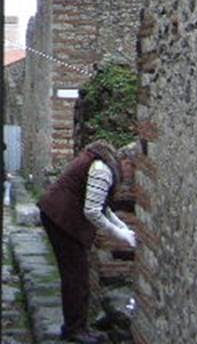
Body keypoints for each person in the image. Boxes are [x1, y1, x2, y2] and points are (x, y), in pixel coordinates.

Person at [37, 141, 137, 344]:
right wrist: (119, 234)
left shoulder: (104, 164)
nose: (132, 175)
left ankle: (77, 327)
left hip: (58, 216)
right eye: (133, 168)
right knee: (76, 277)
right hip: (61, 219)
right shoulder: (103, 170)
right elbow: (92, 210)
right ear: (125, 162)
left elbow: (103, 206)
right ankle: (75, 330)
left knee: (77, 275)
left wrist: (123, 228)